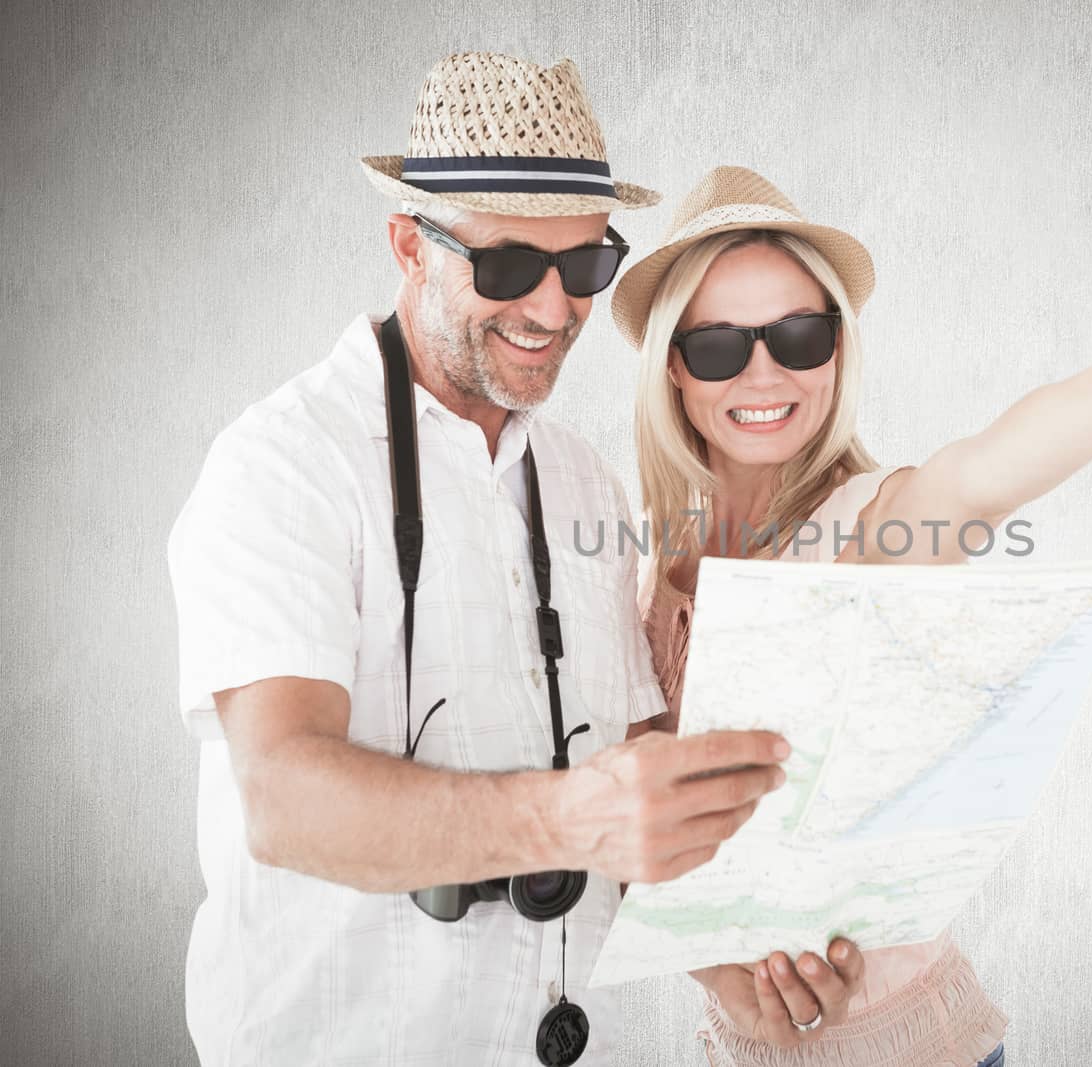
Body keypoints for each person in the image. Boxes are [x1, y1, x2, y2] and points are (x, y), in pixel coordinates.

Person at [610, 165, 1092, 1065]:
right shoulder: (646, 575)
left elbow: (975, 480)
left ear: (838, 351)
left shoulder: (863, 525)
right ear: (674, 369)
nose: (765, 372)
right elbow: (643, 834)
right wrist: (722, 968)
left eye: (801, 335)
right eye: (720, 347)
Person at [165, 56, 807, 1066]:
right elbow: (281, 797)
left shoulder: (587, 484)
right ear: (407, 247)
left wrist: (738, 963)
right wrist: (567, 816)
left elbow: (644, 793)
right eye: (507, 267)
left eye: (585, 265)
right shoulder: (283, 464)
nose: (553, 310)